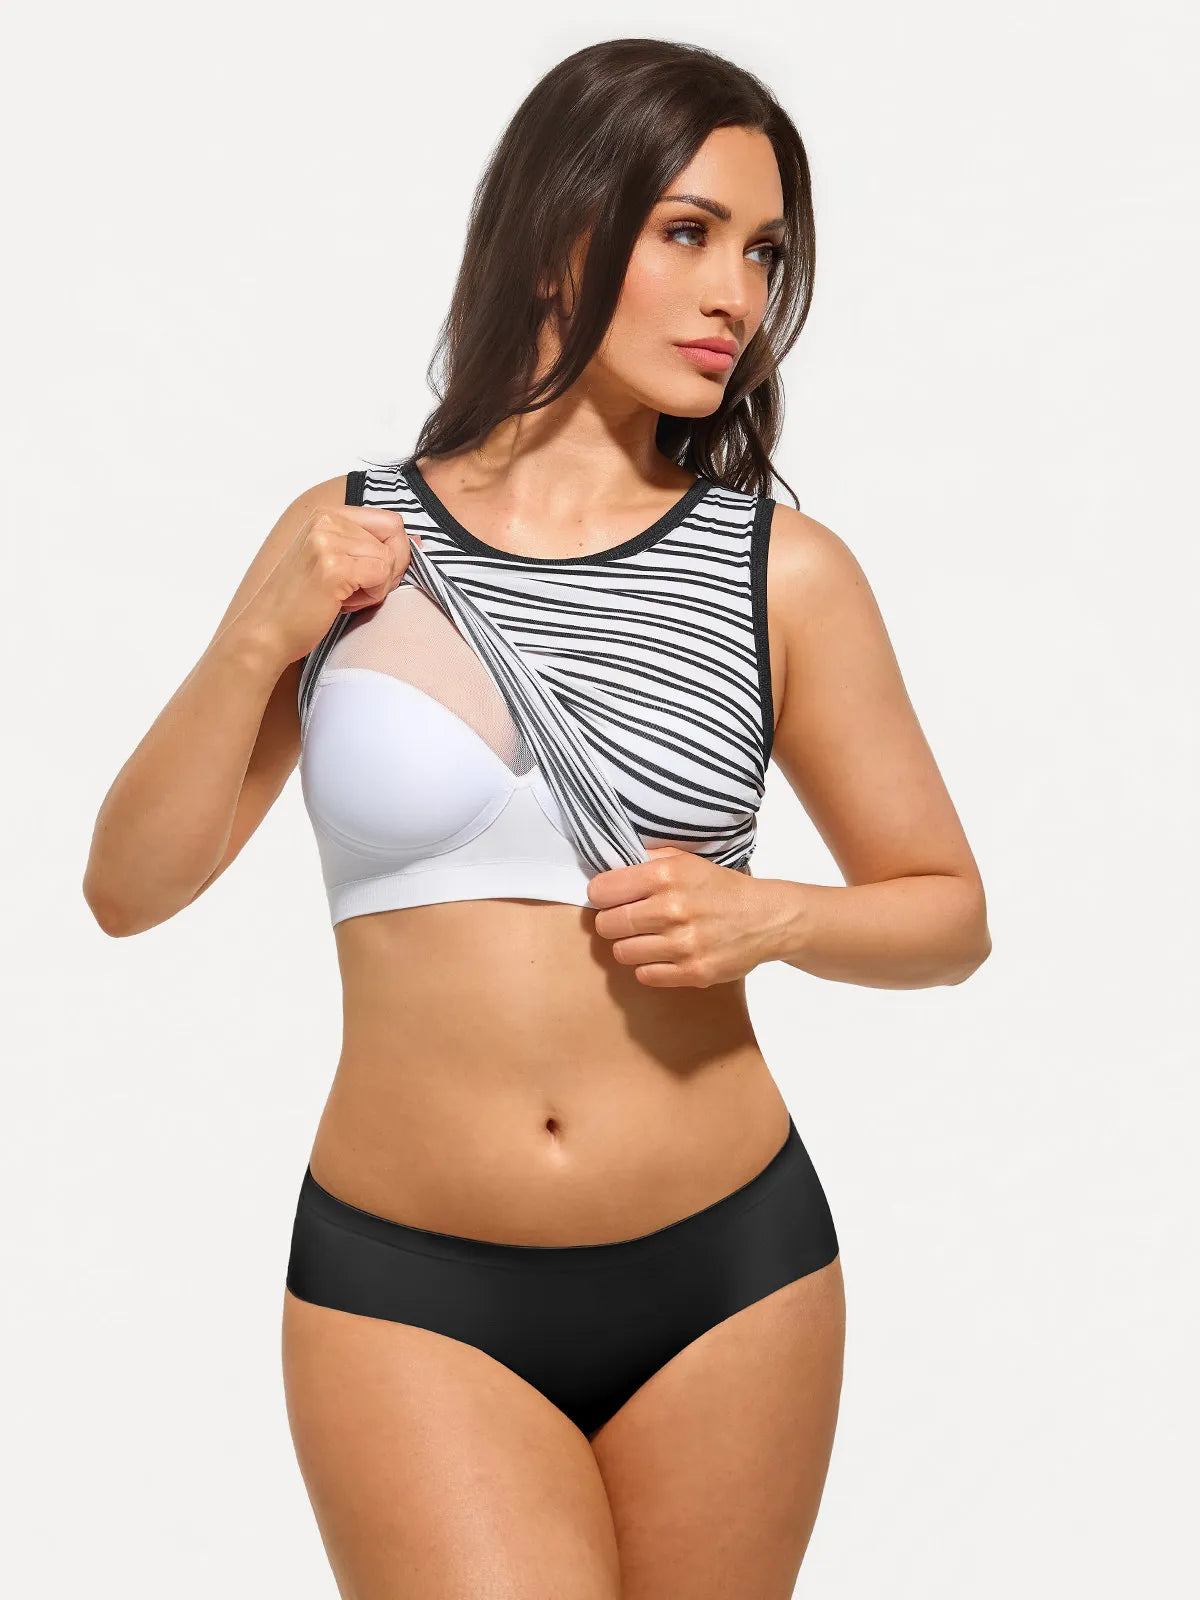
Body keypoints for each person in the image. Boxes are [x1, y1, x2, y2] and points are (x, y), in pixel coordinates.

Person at [83, 37, 990, 1600]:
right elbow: (128, 888)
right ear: (565, 234)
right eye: (690, 232)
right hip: (407, 1286)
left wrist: (776, 917)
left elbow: (948, 911)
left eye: (765, 254)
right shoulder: (349, 537)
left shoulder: (784, 573)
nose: (737, 295)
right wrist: (254, 644)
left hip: (731, 1271)